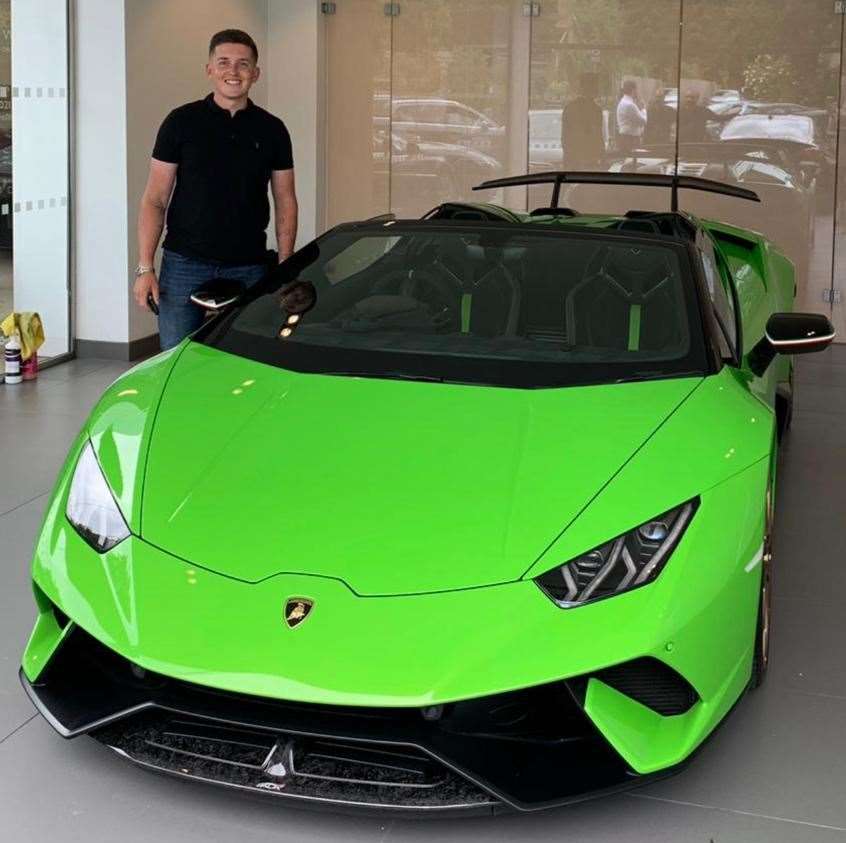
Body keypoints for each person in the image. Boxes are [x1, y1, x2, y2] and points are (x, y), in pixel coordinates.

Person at [133, 29, 298, 350]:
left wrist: (286, 264)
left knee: (251, 356)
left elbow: (285, 200)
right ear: (209, 69)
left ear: (256, 73)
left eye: (243, 64)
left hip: (251, 264)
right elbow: (155, 199)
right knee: (176, 358)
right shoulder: (180, 122)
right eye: (223, 63)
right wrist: (145, 267)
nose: (233, 72)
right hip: (184, 262)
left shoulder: (273, 129)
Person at [561, 72, 604, 171]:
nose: (597, 89)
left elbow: (565, 139)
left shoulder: (571, 108)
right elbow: (567, 139)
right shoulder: (593, 110)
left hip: (584, 163)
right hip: (580, 164)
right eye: (595, 85)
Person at [615, 79, 647, 153]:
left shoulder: (623, 102)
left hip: (625, 137)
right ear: (633, 90)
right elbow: (643, 121)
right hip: (630, 139)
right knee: (633, 161)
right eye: (637, 89)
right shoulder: (630, 105)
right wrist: (643, 109)